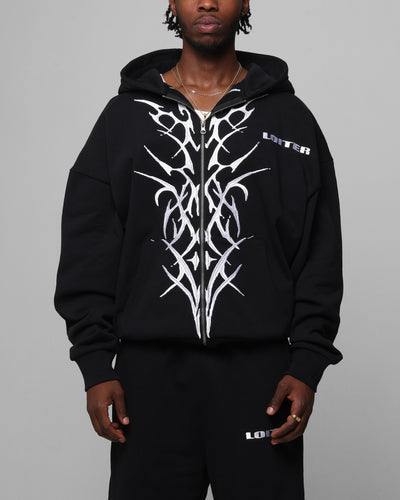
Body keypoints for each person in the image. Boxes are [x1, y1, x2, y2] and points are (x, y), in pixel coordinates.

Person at [54, 1, 344, 499]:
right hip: (148, 380)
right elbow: (89, 244)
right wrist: (96, 365)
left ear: (245, 2)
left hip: (261, 378)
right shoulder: (124, 119)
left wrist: (307, 365)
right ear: (172, 2)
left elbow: (320, 249)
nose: (207, 2)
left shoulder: (289, 119)